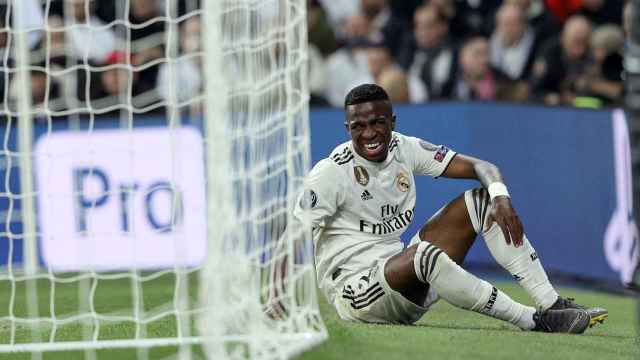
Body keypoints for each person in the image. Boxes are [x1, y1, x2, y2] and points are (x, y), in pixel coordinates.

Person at [277, 83, 608, 332]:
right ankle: (535, 321)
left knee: (483, 201)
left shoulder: (403, 148)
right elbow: (296, 232)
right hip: (357, 294)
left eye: (377, 122)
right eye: (358, 127)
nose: (369, 134)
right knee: (423, 255)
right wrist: (277, 294)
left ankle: (552, 302)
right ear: (347, 129)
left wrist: (501, 197)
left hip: (406, 281)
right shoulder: (332, 172)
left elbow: (483, 167)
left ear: (392, 121)